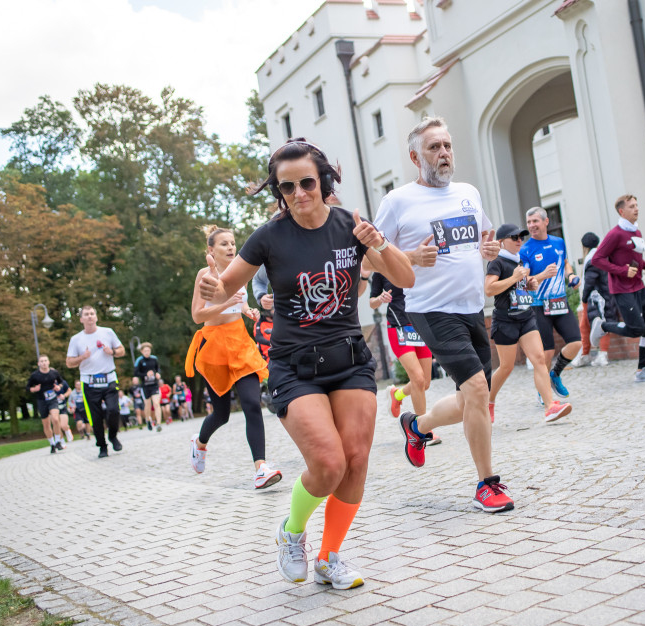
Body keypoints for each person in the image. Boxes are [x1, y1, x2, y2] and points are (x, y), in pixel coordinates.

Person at [199, 137, 415, 588]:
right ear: (278, 191)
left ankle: (329, 556)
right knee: (329, 463)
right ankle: (291, 531)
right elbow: (225, 288)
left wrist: (378, 244)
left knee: (355, 460)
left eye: (307, 183)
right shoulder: (268, 238)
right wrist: (208, 286)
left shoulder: (350, 226)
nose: (298, 194)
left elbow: (404, 277)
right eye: (287, 187)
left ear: (324, 181)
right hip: (294, 367)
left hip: (350, 360)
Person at [375, 116, 513, 514]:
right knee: (476, 393)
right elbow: (370, 258)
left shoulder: (468, 193)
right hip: (429, 309)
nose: (444, 154)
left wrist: (489, 252)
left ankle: (416, 426)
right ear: (416, 156)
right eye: (434, 148)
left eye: (448, 146)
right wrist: (409, 257)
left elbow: (483, 239)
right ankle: (487, 484)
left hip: (472, 307)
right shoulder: (397, 201)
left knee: (473, 396)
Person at [186, 224, 282, 491]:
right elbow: (197, 316)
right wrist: (226, 304)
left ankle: (261, 468)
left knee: (252, 403)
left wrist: (247, 310)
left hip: (239, 343)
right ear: (211, 250)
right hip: (214, 346)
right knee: (222, 413)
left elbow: (238, 303)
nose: (230, 248)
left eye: (232, 243)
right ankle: (200, 442)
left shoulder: (240, 273)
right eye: (224, 244)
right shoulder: (204, 275)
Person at [486, 223, 572, 424]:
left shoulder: (519, 263)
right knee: (506, 367)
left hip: (525, 316)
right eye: (514, 237)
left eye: (520, 237)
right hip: (506, 320)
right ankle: (488, 401)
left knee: (539, 359)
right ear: (501, 242)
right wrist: (515, 278)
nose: (518, 241)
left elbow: (520, 287)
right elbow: (489, 290)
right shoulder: (496, 262)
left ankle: (550, 407)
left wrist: (529, 284)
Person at [591, 194, 645, 382]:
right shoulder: (615, 234)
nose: (636, 209)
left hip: (639, 286)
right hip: (622, 289)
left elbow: (635, 258)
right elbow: (597, 259)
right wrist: (621, 271)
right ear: (622, 211)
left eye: (637, 205)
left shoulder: (636, 232)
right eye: (631, 206)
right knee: (636, 328)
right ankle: (604, 325)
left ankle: (642, 370)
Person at [519, 207, 581, 399]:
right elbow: (526, 284)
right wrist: (543, 275)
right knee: (546, 353)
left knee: (576, 343)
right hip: (539, 305)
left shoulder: (558, 242)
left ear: (546, 222)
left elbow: (565, 262)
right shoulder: (526, 249)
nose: (531, 225)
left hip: (560, 301)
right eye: (529, 222)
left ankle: (555, 374)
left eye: (535, 221)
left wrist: (570, 276)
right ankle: (543, 391)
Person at [369, 272, 434, 421]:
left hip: (421, 325)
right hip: (399, 327)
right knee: (418, 379)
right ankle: (421, 429)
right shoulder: (382, 269)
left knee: (425, 383)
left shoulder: (419, 262)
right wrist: (379, 299)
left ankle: (397, 395)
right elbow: (372, 302)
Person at [65, 305, 125, 458]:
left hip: (109, 378)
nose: (90, 316)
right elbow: (69, 362)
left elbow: (122, 350)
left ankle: (113, 436)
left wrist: (112, 352)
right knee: (95, 417)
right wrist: (82, 357)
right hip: (89, 382)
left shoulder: (107, 332)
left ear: (96, 317)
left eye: (92, 313)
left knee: (113, 410)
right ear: (81, 319)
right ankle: (102, 446)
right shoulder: (76, 339)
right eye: (87, 314)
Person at [577, 231, 613, 367]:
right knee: (603, 324)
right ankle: (596, 355)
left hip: (595, 298)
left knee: (587, 326)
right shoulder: (602, 256)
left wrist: (584, 298)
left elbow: (590, 280)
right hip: (607, 295)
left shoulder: (591, 259)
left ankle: (588, 355)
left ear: (584, 247)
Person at [26, 355, 67, 453]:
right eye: (41, 361)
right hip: (41, 400)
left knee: (56, 419)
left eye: (45, 360)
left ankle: (58, 441)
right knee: (46, 424)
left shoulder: (54, 373)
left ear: (48, 362)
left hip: (52, 399)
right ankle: (52, 444)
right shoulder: (35, 375)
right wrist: (34, 389)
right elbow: (28, 388)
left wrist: (58, 387)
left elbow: (61, 382)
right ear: (38, 364)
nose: (44, 363)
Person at [134, 342, 162, 431]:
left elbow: (158, 369)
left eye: (148, 350)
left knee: (156, 403)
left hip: (154, 385)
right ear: (142, 351)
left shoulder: (154, 359)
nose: (147, 352)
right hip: (145, 386)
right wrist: (145, 374)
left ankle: (158, 424)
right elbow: (136, 373)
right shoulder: (139, 361)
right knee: (147, 405)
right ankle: (148, 420)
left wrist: (158, 374)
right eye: (145, 351)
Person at [55, 377, 74, 443]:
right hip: (53, 407)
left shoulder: (62, 382)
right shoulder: (46, 384)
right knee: (57, 425)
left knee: (63, 425)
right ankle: (61, 441)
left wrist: (64, 395)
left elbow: (69, 390)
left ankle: (67, 430)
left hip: (62, 406)